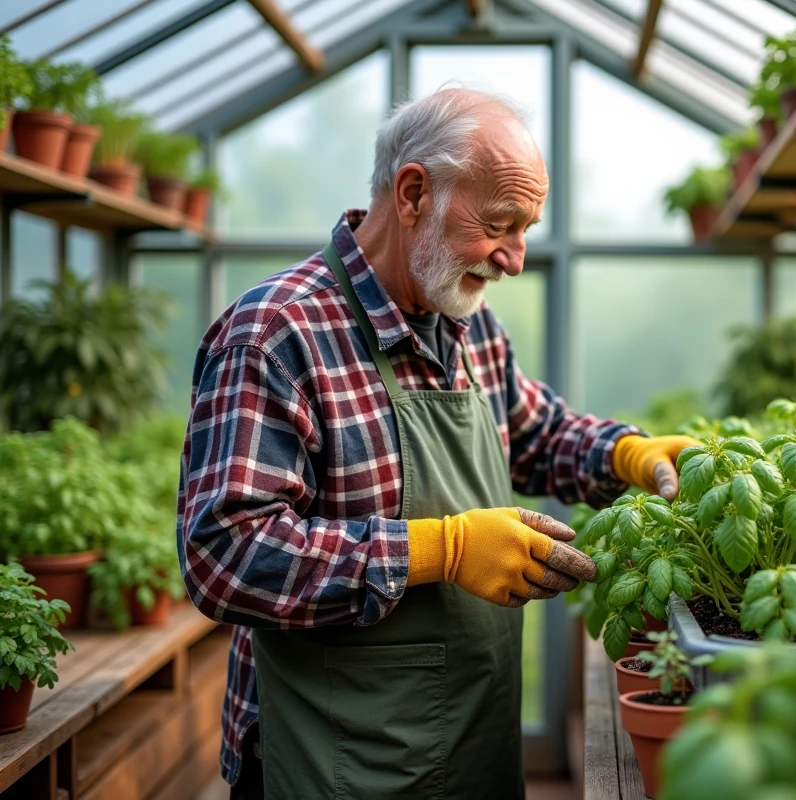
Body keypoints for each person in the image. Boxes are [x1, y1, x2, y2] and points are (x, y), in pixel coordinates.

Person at [178, 88, 697, 800]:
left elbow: (535, 434)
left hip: (471, 741)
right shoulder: (278, 334)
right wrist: (439, 550)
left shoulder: (466, 320)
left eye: (526, 230)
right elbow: (223, 555)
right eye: (500, 224)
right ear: (414, 192)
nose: (514, 259)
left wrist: (624, 455)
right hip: (337, 763)